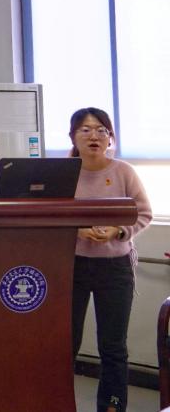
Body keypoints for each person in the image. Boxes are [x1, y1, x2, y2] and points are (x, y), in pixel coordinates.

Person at [69, 107, 153, 412]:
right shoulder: (62, 173)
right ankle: (58, 402)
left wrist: (119, 231)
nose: (94, 136)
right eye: (86, 129)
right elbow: (47, 217)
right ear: (73, 137)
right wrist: (77, 230)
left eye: (101, 130)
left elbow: (143, 213)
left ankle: (112, 407)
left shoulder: (123, 171)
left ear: (110, 137)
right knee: (65, 343)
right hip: (72, 266)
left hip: (115, 267)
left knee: (113, 346)